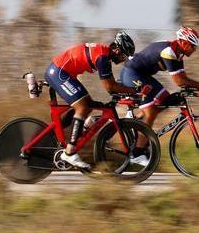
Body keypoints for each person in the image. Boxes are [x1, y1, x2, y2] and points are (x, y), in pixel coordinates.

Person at [119, 26, 199, 165]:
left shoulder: (178, 54)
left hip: (142, 75)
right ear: (184, 43)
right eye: (192, 46)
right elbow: (180, 81)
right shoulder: (170, 52)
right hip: (131, 73)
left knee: (165, 99)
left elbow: (184, 79)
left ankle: (135, 122)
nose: (194, 50)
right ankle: (138, 152)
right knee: (151, 111)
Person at [44, 31, 138, 169]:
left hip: (64, 73)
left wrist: (125, 90)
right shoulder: (103, 58)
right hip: (59, 73)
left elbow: (111, 84)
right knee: (82, 108)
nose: (123, 59)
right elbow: (110, 88)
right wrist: (134, 90)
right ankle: (69, 153)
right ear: (117, 49)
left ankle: (60, 133)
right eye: (123, 54)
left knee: (89, 104)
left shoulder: (104, 54)